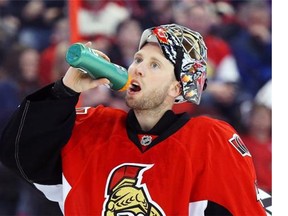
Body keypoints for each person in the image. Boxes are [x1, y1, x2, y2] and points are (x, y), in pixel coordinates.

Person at [0, 24, 270, 215]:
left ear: (177, 88)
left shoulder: (210, 141)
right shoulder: (91, 127)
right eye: (138, 58)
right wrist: (64, 91)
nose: (138, 68)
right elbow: (17, 154)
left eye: (154, 65)